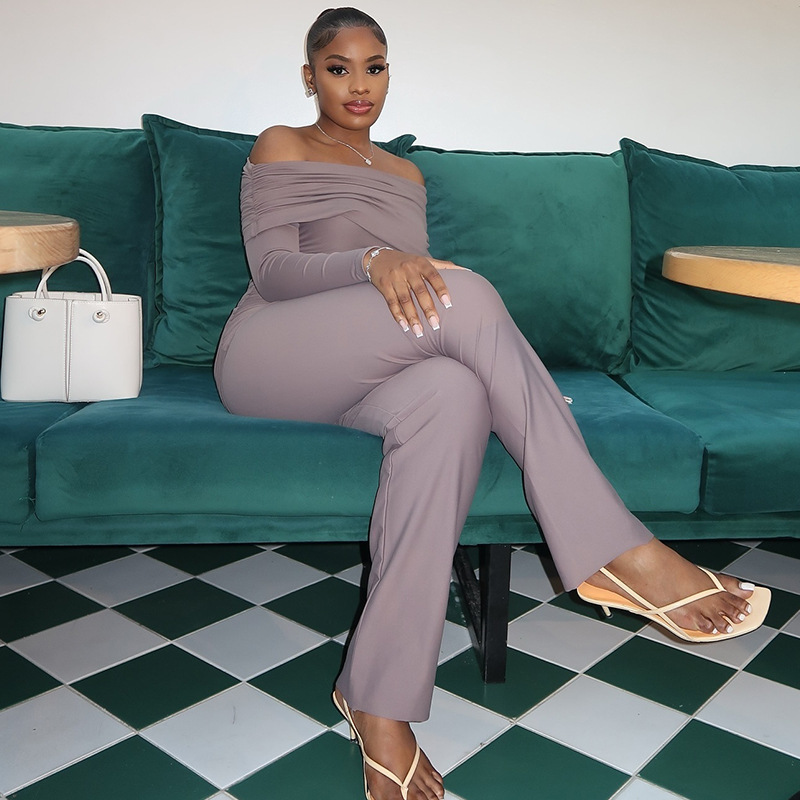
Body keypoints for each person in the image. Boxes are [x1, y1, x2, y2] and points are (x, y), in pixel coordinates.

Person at [213, 8, 771, 800]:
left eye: (375, 66)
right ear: (311, 76)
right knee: (465, 293)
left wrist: (428, 296)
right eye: (338, 68)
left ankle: (376, 700)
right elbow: (273, 272)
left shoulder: (404, 175)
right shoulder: (283, 143)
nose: (359, 84)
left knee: (455, 393)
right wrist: (372, 260)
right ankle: (612, 550)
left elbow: (412, 302)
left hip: (363, 369)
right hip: (271, 352)